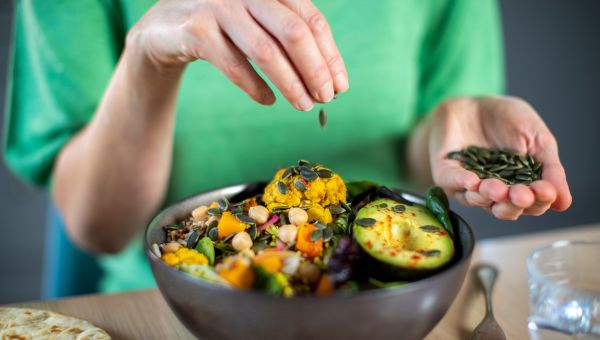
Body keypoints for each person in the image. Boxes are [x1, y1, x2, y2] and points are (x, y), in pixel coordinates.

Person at [4, 0, 571, 293]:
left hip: (381, 302)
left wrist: (448, 122)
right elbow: (96, 227)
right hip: (178, 309)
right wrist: (148, 58)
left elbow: (416, 148)